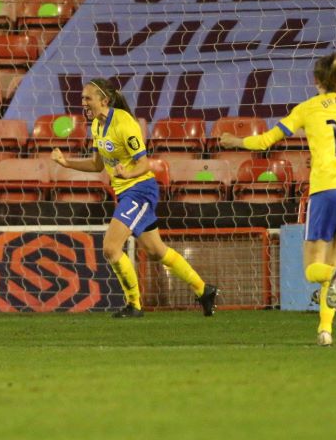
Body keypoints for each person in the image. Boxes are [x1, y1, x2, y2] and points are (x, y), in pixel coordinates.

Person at [221, 53, 336, 346]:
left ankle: (332, 275)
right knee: (333, 262)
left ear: (316, 80)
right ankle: (325, 330)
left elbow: (266, 141)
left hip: (326, 189)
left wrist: (235, 142)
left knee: (312, 268)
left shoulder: (307, 109)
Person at [50, 78, 219, 318]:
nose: (83, 103)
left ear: (104, 100)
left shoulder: (124, 124)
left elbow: (144, 163)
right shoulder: (97, 126)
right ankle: (204, 289)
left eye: (88, 98)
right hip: (127, 193)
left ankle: (134, 305)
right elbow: (98, 164)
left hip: (140, 189)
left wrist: (127, 173)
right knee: (156, 251)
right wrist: (66, 162)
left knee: (110, 248)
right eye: (82, 99)